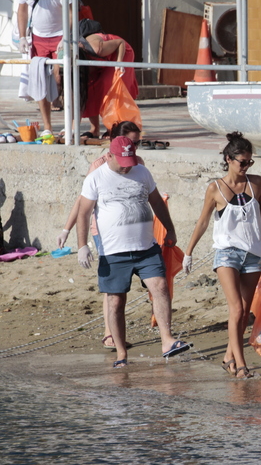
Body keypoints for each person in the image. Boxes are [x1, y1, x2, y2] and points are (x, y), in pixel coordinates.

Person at [75, 136, 191, 368]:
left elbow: (157, 202)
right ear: (109, 155)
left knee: (160, 287)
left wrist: (170, 229)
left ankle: (167, 341)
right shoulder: (96, 178)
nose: (127, 166)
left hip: (146, 248)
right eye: (122, 161)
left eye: (130, 160)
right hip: (113, 252)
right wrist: (82, 245)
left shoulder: (142, 172)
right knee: (116, 301)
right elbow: (83, 213)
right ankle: (121, 354)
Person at [183, 132, 261, 378]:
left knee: (245, 311)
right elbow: (203, 222)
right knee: (236, 309)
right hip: (227, 253)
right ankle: (241, 364)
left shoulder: (256, 183)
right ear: (229, 159)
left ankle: (228, 357)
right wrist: (189, 252)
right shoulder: (215, 188)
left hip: (254, 254)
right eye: (242, 162)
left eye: (250, 162)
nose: (246, 166)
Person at [57, 121, 144, 350]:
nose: (135, 147)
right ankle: (109, 334)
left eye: (138, 143)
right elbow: (82, 201)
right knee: (112, 284)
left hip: (133, 230)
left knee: (123, 284)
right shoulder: (99, 166)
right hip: (104, 231)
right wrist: (68, 230)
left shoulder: (137, 162)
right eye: (133, 143)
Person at [14, 0, 74, 136]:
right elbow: (22, 10)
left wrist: (67, 36)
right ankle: (47, 126)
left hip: (59, 36)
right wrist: (22, 37)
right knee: (40, 80)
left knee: (62, 78)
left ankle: (69, 124)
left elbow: (71, 11)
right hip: (39, 38)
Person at [79, 19, 138, 139]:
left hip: (121, 52)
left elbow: (120, 43)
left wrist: (119, 63)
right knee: (90, 87)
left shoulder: (97, 48)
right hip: (103, 57)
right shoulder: (73, 49)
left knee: (108, 86)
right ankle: (94, 129)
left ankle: (114, 128)